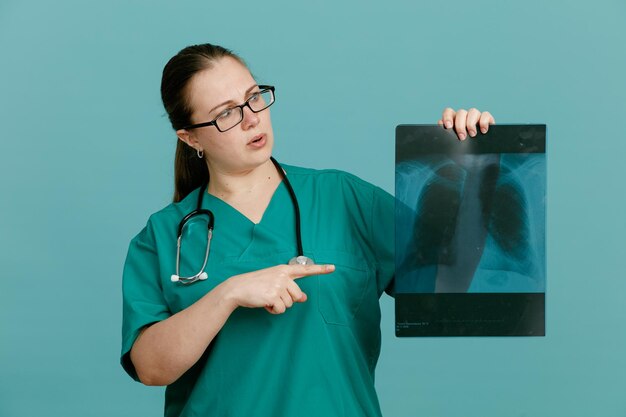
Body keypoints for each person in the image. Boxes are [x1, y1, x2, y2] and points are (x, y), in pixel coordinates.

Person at [120, 43, 495, 417]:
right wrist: (228, 294)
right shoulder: (164, 236)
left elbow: (452, 286)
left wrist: (470, 162)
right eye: (227, 114)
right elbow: (151, 368)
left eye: (254, 98)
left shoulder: (344, 199)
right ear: (191, 138)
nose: (252, 119)